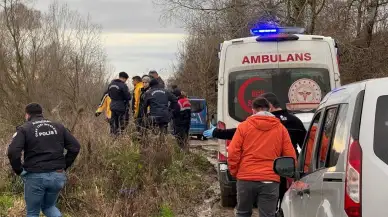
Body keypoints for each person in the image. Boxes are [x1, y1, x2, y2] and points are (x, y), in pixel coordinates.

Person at [203, 92, 306, 210]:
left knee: (243, 212)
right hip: (278, 173)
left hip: (247, 175)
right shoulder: (292, 123)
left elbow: (233, 148)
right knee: (275, 210)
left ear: (269, 106)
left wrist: (235, 172)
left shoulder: (248, 125)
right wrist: (294, 174)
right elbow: (299, 149)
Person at [7, 103, 81, 217]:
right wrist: (63, 166)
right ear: (41, 113)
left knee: (32, 212)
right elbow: (75, 147)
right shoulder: (59, 126)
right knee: (49, 207)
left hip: (35, 176)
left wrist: (19, 170)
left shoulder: (24, 129)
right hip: (57, 175)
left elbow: (13, 152)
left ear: (27, 115)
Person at [228, 97, 297, 217]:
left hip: (246, 178)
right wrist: (287, 174)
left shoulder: (243, 127)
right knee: (268, 215)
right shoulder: (281, 129)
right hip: (270, 179)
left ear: (253, 110)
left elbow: (233, 152)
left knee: (243, 213)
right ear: (270, 109)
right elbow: (290, 155)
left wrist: (235, 172)